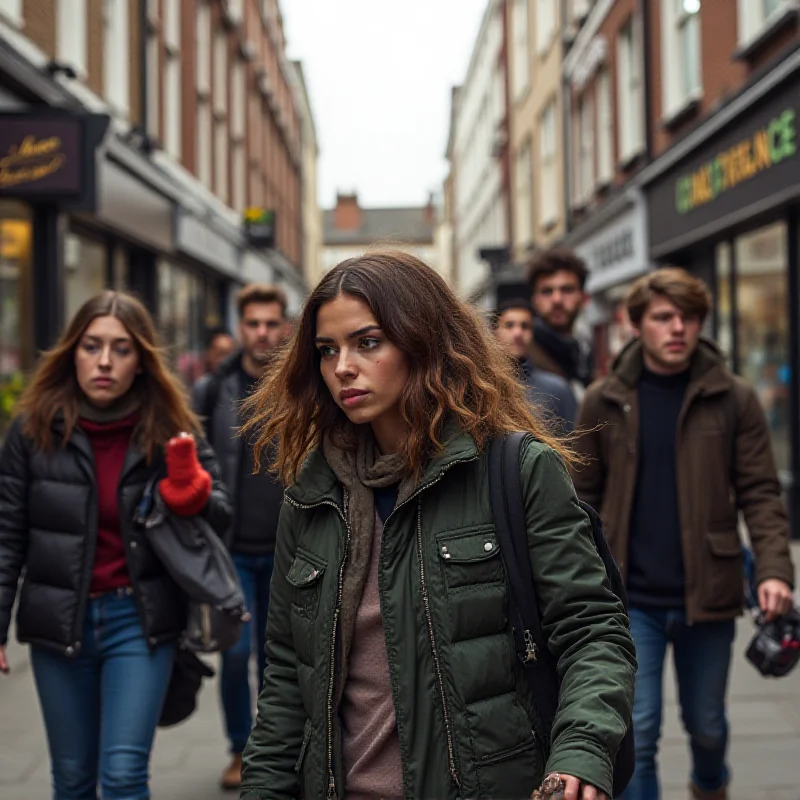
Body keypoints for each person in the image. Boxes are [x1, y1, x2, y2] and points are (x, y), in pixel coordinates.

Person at [238, 251, 636, 800]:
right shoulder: (311, 497)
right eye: (327, 350)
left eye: (368, 342)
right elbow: (286, 681)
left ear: (422, 341)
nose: (343, 367)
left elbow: (592, 629)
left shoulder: (517, 470)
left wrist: (582, 751)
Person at [571, 268, 795, 800]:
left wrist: (774, 571)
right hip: (629, 598)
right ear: (635, 324)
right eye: (664, 317)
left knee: (708, 726)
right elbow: (580, 501)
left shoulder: (733, 398)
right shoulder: (604, 400)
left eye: (689, 318)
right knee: (638, 733)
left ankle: (709, 785)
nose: (678, 328)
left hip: (709, 595)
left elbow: (761, 492)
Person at [0, 290, 231, 800]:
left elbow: (220, 512)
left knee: (125, 775)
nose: (104, 361)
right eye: (91, 346)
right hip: (59, 623)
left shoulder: (170, 429)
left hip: (139, 622)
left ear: (142, 361)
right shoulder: (32, 430)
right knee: (73, 779)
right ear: (71, 353)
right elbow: (7, 534)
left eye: (122, 349)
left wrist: (188, 492)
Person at [191, 284, 289, 791]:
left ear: (284, 327)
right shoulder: (213, 389)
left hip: (289, 551)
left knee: (279, 660)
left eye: (271, 324)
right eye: (253, 323)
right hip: (229, 550)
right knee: (232, 655)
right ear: (240, 326)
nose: (262, 334)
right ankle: (239, 747)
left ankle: (276, 753)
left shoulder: (300, 386)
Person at [494, 298, 577, 433]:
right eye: (509, 325)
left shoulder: (557, 389)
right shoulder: (483, 388)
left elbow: (574, 445)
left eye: (525, 326)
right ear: (495, 331)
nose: (518, 333)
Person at [527, 248, 594, 398]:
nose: (557, 300)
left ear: (584, 298)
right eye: (547, 291)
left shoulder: (585, 352)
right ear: (535, 300)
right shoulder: (521, 360)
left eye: (567, 290)